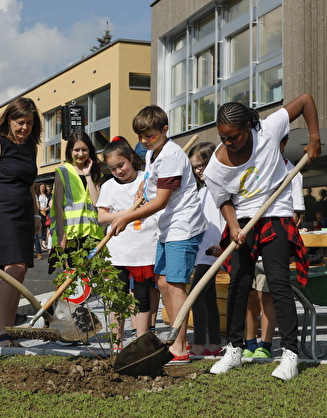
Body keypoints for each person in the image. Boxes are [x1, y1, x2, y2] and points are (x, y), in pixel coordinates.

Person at [204, 93, 321, 380]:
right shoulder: (215, 167)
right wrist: (232, 225)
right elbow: (224, 201)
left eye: (234, 137)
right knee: (239, 283)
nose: (228, 143)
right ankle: (234, 349)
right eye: (223, 137)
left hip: (275, 212)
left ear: (248, 127)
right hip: (243, 219)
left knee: (277, 281)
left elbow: (305, 100)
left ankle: (290, 355)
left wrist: (314, 137)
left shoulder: (268, 129)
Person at [111, 106, 208, 365]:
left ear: (165, 130)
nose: (144, 141)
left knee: (175, 285)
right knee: (163, 283)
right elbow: (152, 180)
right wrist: (144, 184)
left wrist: (127, 217)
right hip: (168, 227)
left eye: (150, 136)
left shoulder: (172, 156)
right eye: (141, 137)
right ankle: (176, 340)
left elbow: (163, 201)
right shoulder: (154, 153)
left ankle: (180, 346)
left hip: (182, 227)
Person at [243, 134, 306, 359]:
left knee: (266, 295)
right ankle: (248, 343)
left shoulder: (292, 171)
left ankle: (266, 344)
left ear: (284, 143)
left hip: (273, 239)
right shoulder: (254, 166)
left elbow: (295, 216)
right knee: (248, 293)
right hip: (250, 235)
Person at [0, 97, 41, 347]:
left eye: (29, 123)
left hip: (23, 214)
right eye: (20, 122)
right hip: (1, 212)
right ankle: (3, 333)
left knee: (20, 272)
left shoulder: (31, 148)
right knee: (13, 268)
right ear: (9, 120)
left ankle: (8, 330)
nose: (24, 128)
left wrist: (36, 213)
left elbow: (29, 184)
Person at [96, 137, 157, 351]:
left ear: (131, 158)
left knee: (142, 297)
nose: (119, 171)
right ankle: (116, 344)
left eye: (121, 165)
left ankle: (141, 343)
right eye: (113, 168)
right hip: (118, 252)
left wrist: (134, 211)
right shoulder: (109, 187)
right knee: (117, 298)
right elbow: (102, 217)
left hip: (144, 249)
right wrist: (125, 214)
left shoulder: (146, 179)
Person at [187, 142, 225, 356]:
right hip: (202, 251)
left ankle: (200, 343)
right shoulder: (201, 191)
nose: (198, 169)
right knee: (208, 298)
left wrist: (223, 244)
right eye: (195, 166)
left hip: (214, 250)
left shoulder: (220, 188)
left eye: (202, 164)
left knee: (196, 294)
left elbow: (228, 219)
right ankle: (214, 343)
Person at [49, 129, 104, 273]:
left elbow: (96, 202)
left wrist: (88, 176)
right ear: (70, 151)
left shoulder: (95, 171)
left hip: (93, 234)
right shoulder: (63, 171)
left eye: (84, 150)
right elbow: (58, 206)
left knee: (94, 281)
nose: (81, 154)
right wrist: (61, 235)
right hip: (72, 235)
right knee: (75, 281)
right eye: (77, 150)